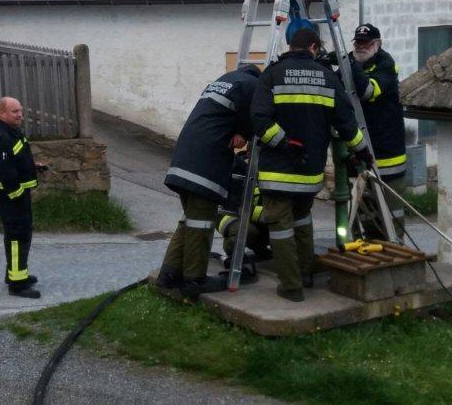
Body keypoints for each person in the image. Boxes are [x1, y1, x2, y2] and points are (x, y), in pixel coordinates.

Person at [251, 29, 373, 302]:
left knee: (281, 228)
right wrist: (363, 151)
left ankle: (291, 287)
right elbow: (347, 123)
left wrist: (284, 143)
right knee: (303, 220)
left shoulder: (271, 75)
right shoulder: (328, 78)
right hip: (309, 173)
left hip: (276, 172)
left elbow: (259, 120)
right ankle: (306, 274)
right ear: (314, 47)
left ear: (290, 45)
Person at [158, 65, 262, 299]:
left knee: (189, 221)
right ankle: (194, 280)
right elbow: (254, 116)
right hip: (205, 165)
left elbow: (223, 117)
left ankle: (169, 274)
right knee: (201, 224)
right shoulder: (252, 85)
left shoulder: (224, 82)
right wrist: (245, 133)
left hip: (183, 161)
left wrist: (237, 130)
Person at [351, 23, 407, 235]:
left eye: (365, 43)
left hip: (387, 154)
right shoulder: (351, 60)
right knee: (366, 212)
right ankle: (371, 244)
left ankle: (396, 249)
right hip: (361, 152)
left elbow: (368, 91)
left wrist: (350, 65)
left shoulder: (386, 64)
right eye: (357, 42)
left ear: (377, 44)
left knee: (392, 212)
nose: (360, 47)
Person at [0, 97, 46, 299]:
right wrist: (18, 195)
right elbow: (6, 174)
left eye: (20, 110)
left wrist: (33, 167)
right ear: (2, 113)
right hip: (12, 198)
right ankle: (17, 284)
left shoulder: (10, 132)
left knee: (17, 236)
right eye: (14, 111)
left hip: (14, 196)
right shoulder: (4, 138)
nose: (20, 114)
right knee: (17, 237)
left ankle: (13, 273)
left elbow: (16, 161)